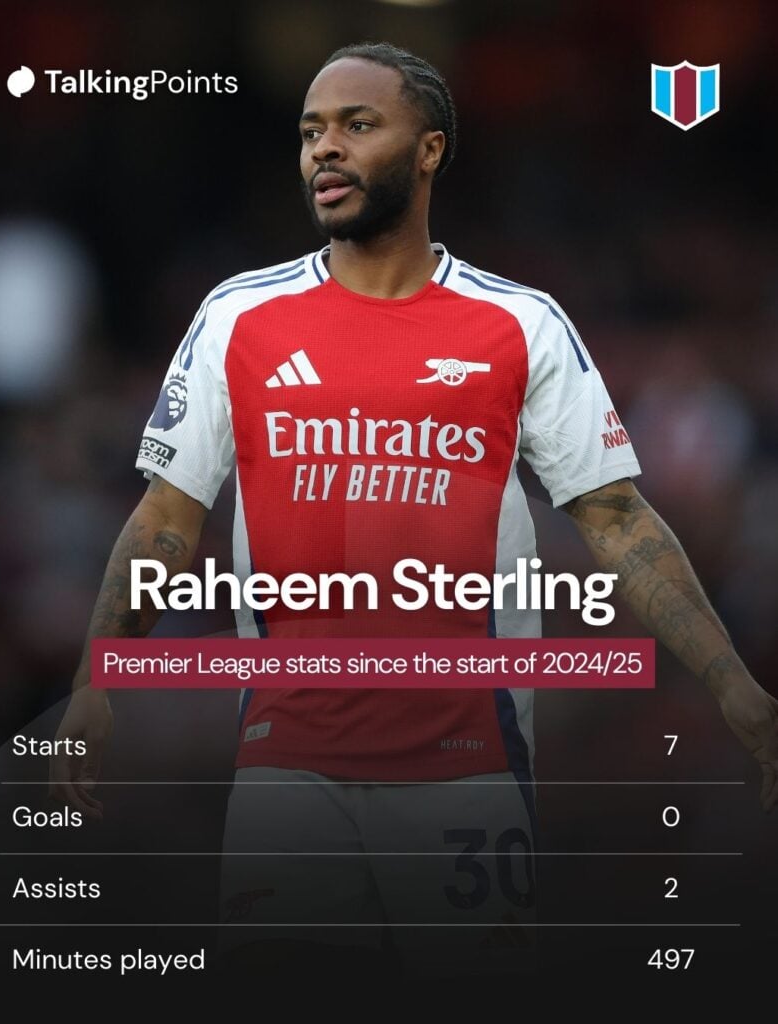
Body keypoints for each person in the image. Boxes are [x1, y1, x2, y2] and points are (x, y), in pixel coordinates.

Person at [50, 42, 778, 977]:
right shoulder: (238, 317)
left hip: (467, 759)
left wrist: (730, 685)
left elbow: (617, 520)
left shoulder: (519, 324)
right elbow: (165, 517)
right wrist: (92, 683)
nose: (325, 150)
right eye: (312, 131)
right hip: (286, 757)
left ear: (429, 149)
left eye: (357, 125)